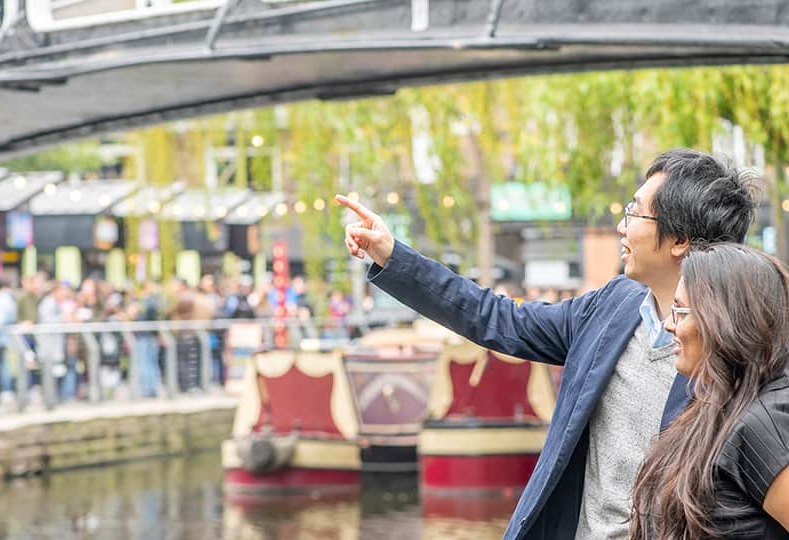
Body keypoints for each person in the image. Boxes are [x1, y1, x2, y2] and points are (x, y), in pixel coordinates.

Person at [337, 148, 757, 540]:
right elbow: (496, 317)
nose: (621, 226)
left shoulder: (743, 353)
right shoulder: (612, 307)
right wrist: (394, 257)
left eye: (635, 213)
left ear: (680, 240)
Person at [630, 244, 789, 538]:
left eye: (681, 311)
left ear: (725, 319)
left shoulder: (763, 425)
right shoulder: (715, 405)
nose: (669, 325)